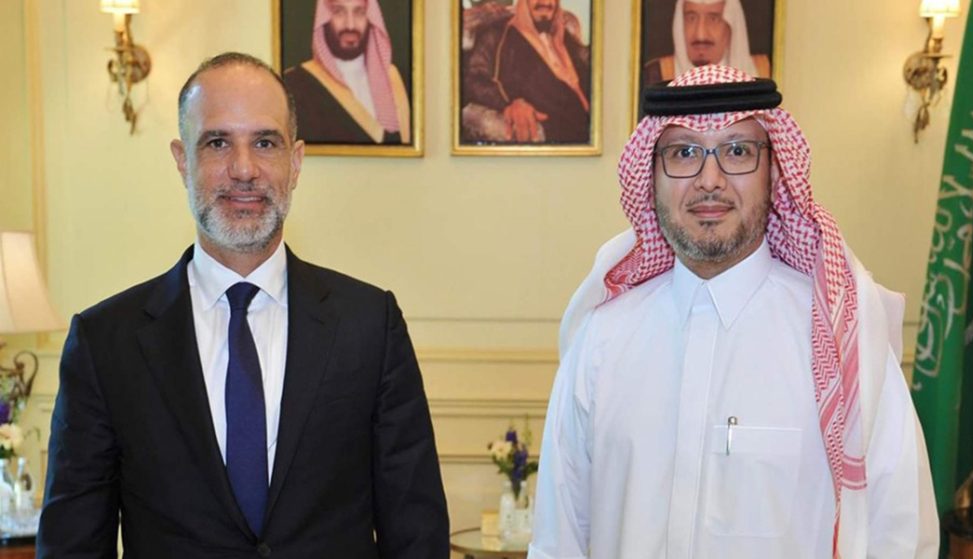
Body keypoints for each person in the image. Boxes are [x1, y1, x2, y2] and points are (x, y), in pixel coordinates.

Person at [38, 52, 448, 558]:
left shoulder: (370, 326)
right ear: (182, 161)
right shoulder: (105, 343)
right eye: (217, 143)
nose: (244, 169)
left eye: (265, 142)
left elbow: (416, 536)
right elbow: (72, 546)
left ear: (295, 162)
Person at [529, 65, 939, 558]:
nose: (710, 180)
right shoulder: (600, 341)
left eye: (738, 151)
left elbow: (900, 536)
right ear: (651, 176)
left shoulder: (843, 341)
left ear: (774, 171)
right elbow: (558, 542)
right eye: (684, 153)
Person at [462, 0, 591, 144]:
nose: (545, 2)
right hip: (556, 133)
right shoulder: (498, 34)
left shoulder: (564, 35)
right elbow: (474, 78)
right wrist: (511, 103)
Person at [283, 0, 411, 145]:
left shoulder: (401, 80)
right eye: (339, 12)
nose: (350, 25)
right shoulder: (295, 84)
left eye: (359, 12)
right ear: (324, 18)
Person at [643, 0, 768, 86]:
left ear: (731, 25)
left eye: (713, 19)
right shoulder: (654, 74)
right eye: (691, 18)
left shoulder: (764, 71)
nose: (701, 35)